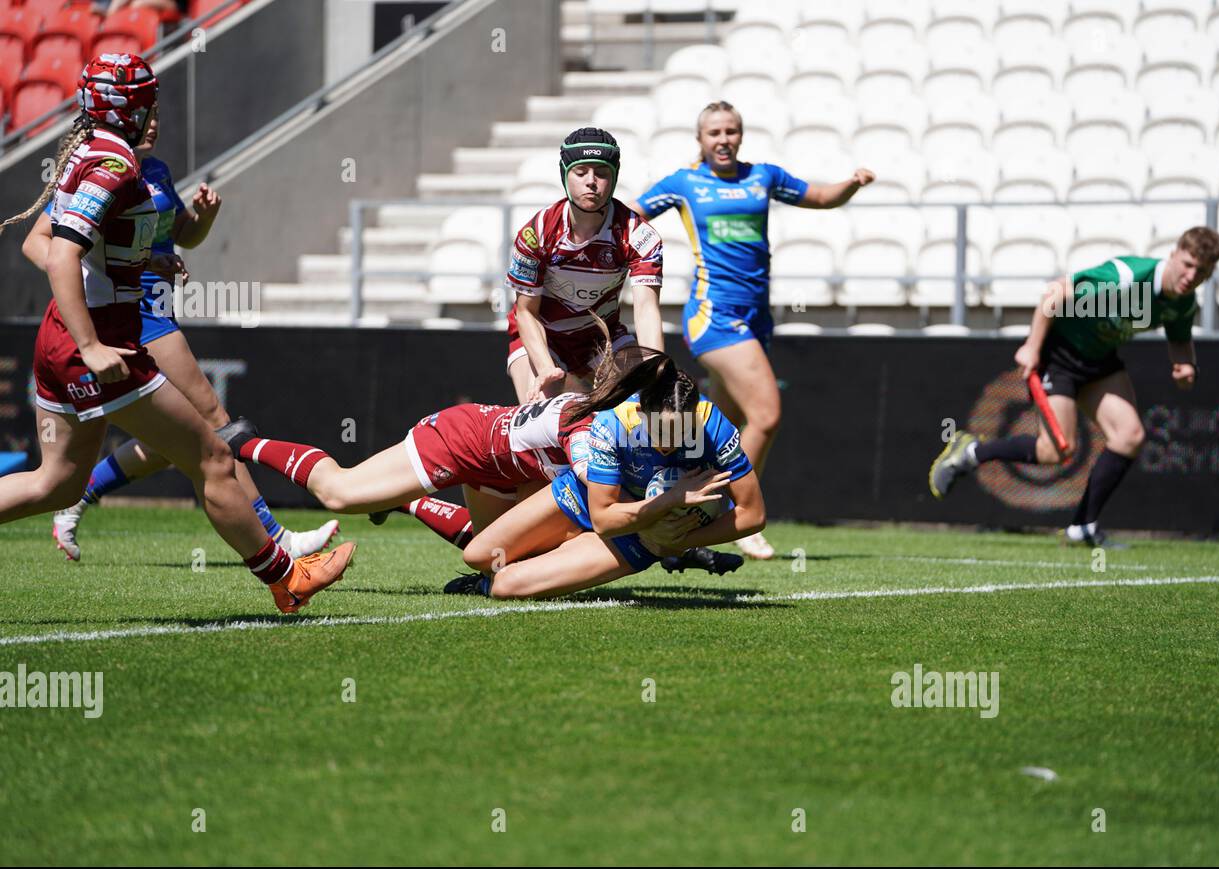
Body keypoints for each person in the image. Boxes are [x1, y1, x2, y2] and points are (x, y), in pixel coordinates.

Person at [0, 54, 353, 613]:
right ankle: (287, 576)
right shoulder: (114, 164)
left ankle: (284, 567)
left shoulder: (91, 153)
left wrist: (135, 268)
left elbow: (86, 251)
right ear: (131, 108)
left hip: (66, 335)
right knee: (213, 454)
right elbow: (60, 254)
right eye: (150, 102)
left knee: (58, 484)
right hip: (97, 339)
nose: (156, 111)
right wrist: (92, 345)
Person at [219, 351, 742, 577]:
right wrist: (680, 539)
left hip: (509, 470)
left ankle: (405, 502)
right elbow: (608, 513)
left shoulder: (614, 419)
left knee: (492, 552)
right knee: (339, 492)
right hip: (461, 440)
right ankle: (243, 442)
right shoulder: (593, 431)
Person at [630, 101, 874, 560]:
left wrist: (852, 184)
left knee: (705, 429)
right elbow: (630, 216)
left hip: (756, 318)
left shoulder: (762, 176)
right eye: (714, 132)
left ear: (740, 136)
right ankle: (736, 515)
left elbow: (821, 197)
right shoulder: (685, 183)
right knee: (766, 415)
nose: (723, 139)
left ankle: (664, 501)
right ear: (699, 141)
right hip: (715, 316)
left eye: (731, 131)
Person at [928, 227, 1219, 545]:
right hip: (1060, 355)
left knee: (1129, 436)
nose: (1192, 276)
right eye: (1188, 264)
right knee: (1055, 450)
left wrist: (1185, 364)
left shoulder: (1182, 302)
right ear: (1174, 253)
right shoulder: (1127, 276)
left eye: (1202, 272)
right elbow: (1055, 293)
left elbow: (1180, 340)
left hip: (1099, 361)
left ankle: (1082, 527)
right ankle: (970, 451)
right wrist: (1032, 346)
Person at [445, 348, 763, 599]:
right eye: (660, 434)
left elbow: (753, 515)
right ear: (640, 412)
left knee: (504, 586)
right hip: (593, 503)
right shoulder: (612, 423)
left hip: (638, 537)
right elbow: (603, 519)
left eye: (680, 434)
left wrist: (674, 540)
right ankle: (567, 550)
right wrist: (670, 500)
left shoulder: (714, 426)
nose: (668, 445)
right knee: (478, 556)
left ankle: (560, 561)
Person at [505, 128, 666, 404]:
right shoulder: (538, 232)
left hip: (602, 338)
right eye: (581, 172)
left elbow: (646, 309)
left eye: (601, 173)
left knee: (644, 403)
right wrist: (546, 367)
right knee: (542, 421)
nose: (591, 182)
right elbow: (526, 313)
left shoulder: (639, 235)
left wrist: (656, 370)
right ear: (565, 175)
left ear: (614, 177)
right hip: (545, 338)